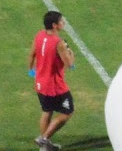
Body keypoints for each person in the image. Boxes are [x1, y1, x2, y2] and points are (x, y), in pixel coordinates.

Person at [28, 11, 75, 151]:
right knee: (67, 112)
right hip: (54, 86)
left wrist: (31, 71)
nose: (63, 23)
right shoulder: (58, 43)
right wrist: (71, 52)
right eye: (61, 21)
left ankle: (45, 148)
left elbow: (32, 54)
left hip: (40, 83)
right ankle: (44, 139)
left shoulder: (39, 35)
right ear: (55, 25)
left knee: (47, 112)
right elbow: (70, 65)